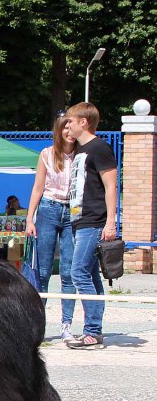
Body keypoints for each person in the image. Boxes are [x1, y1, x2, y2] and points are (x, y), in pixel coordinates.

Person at [63, 102, 118, 350]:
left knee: (78, 273)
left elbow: (111, 186)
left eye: (71, 121)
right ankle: (93, 330)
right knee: (90, 275)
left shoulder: (99, 148)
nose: (68, 125)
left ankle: (93, 331)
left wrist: (110, 222)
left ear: (83, 122)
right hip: (79, 220)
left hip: (93, 220)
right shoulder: (79, 151)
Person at [26, 114, 77, 341]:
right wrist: (30, 218)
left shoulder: (83, 155)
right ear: (58, 130)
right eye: (64, 128)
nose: (68, 131)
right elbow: (37, 188)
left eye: (71, 127)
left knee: (68, 272)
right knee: (43, 271)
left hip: (73, 212)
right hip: (49, 209)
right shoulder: (47, 154)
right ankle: (38, 327)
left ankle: (66, 325)